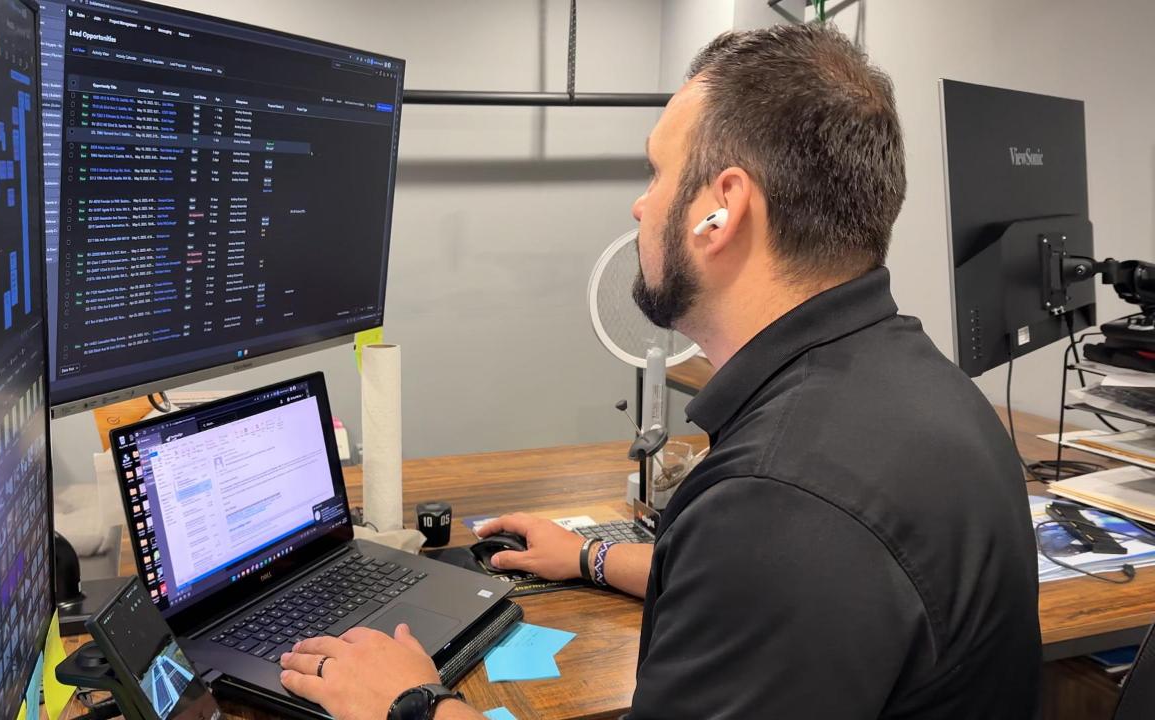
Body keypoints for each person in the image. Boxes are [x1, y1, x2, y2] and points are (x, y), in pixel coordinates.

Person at [278, 23, 1041, 720]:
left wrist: (408, 705)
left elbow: (780, 560)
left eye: (656, 173)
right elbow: (775, 600)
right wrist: (591, 555)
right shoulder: (923, 391)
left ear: (722, 209)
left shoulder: (781, 503)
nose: (642, 207)